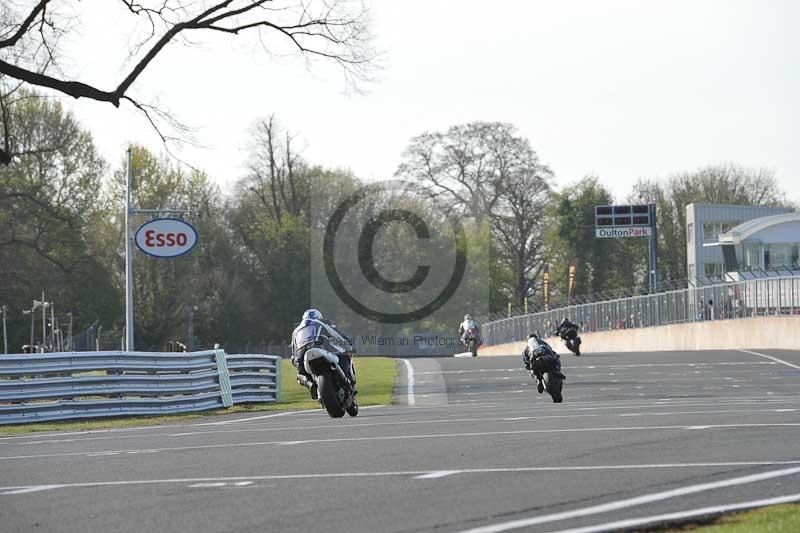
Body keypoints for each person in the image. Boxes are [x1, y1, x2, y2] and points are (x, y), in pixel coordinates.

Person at [290, 309, 355, 400]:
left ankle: (310, 384)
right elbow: (337, 335)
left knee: (300, 375)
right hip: (318, 346)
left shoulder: (295, 331)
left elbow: (293, 355)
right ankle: (348, 381)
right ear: (319, 317)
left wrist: (297, 364)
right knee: (344, 354)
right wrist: (348, 344)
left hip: (301, 354)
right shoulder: (322, 322)